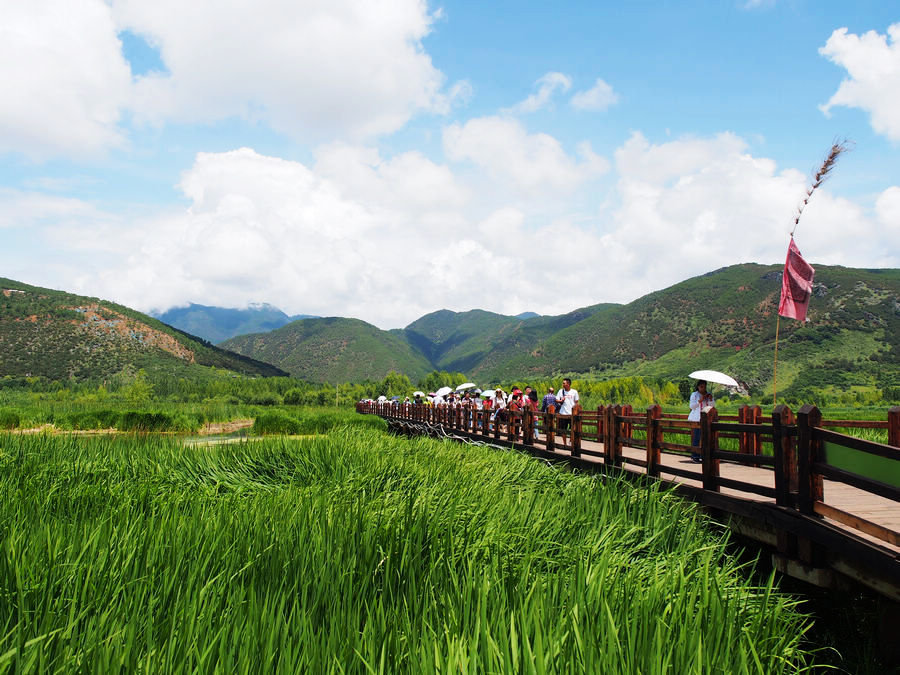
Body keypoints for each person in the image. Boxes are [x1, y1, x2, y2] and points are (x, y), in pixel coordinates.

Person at [688, 379, 714, 463]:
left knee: (706, 438)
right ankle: (695, 456)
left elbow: (712, 406)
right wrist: (700, 401)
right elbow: (692, 406)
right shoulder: (694, 395)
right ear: (698, 387)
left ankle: (704, 455)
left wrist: (710, 399)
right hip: (697, 419)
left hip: (707, 419)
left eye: (704, 386)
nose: (703, 388)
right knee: (697, 437)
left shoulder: (708, 394)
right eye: (701, 386)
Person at [555, 378, 579, 448]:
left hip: (572, 414)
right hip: (563, 413)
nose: (563, 384)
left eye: (564, 383)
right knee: (563, 430)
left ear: (568, 384)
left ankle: (571, 441)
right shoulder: (560, 391)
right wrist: (560, 400)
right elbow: (556, 400)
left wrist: (576, 411)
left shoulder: (574, 392)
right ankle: (564, 443)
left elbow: (576, 402)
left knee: (573, 429)